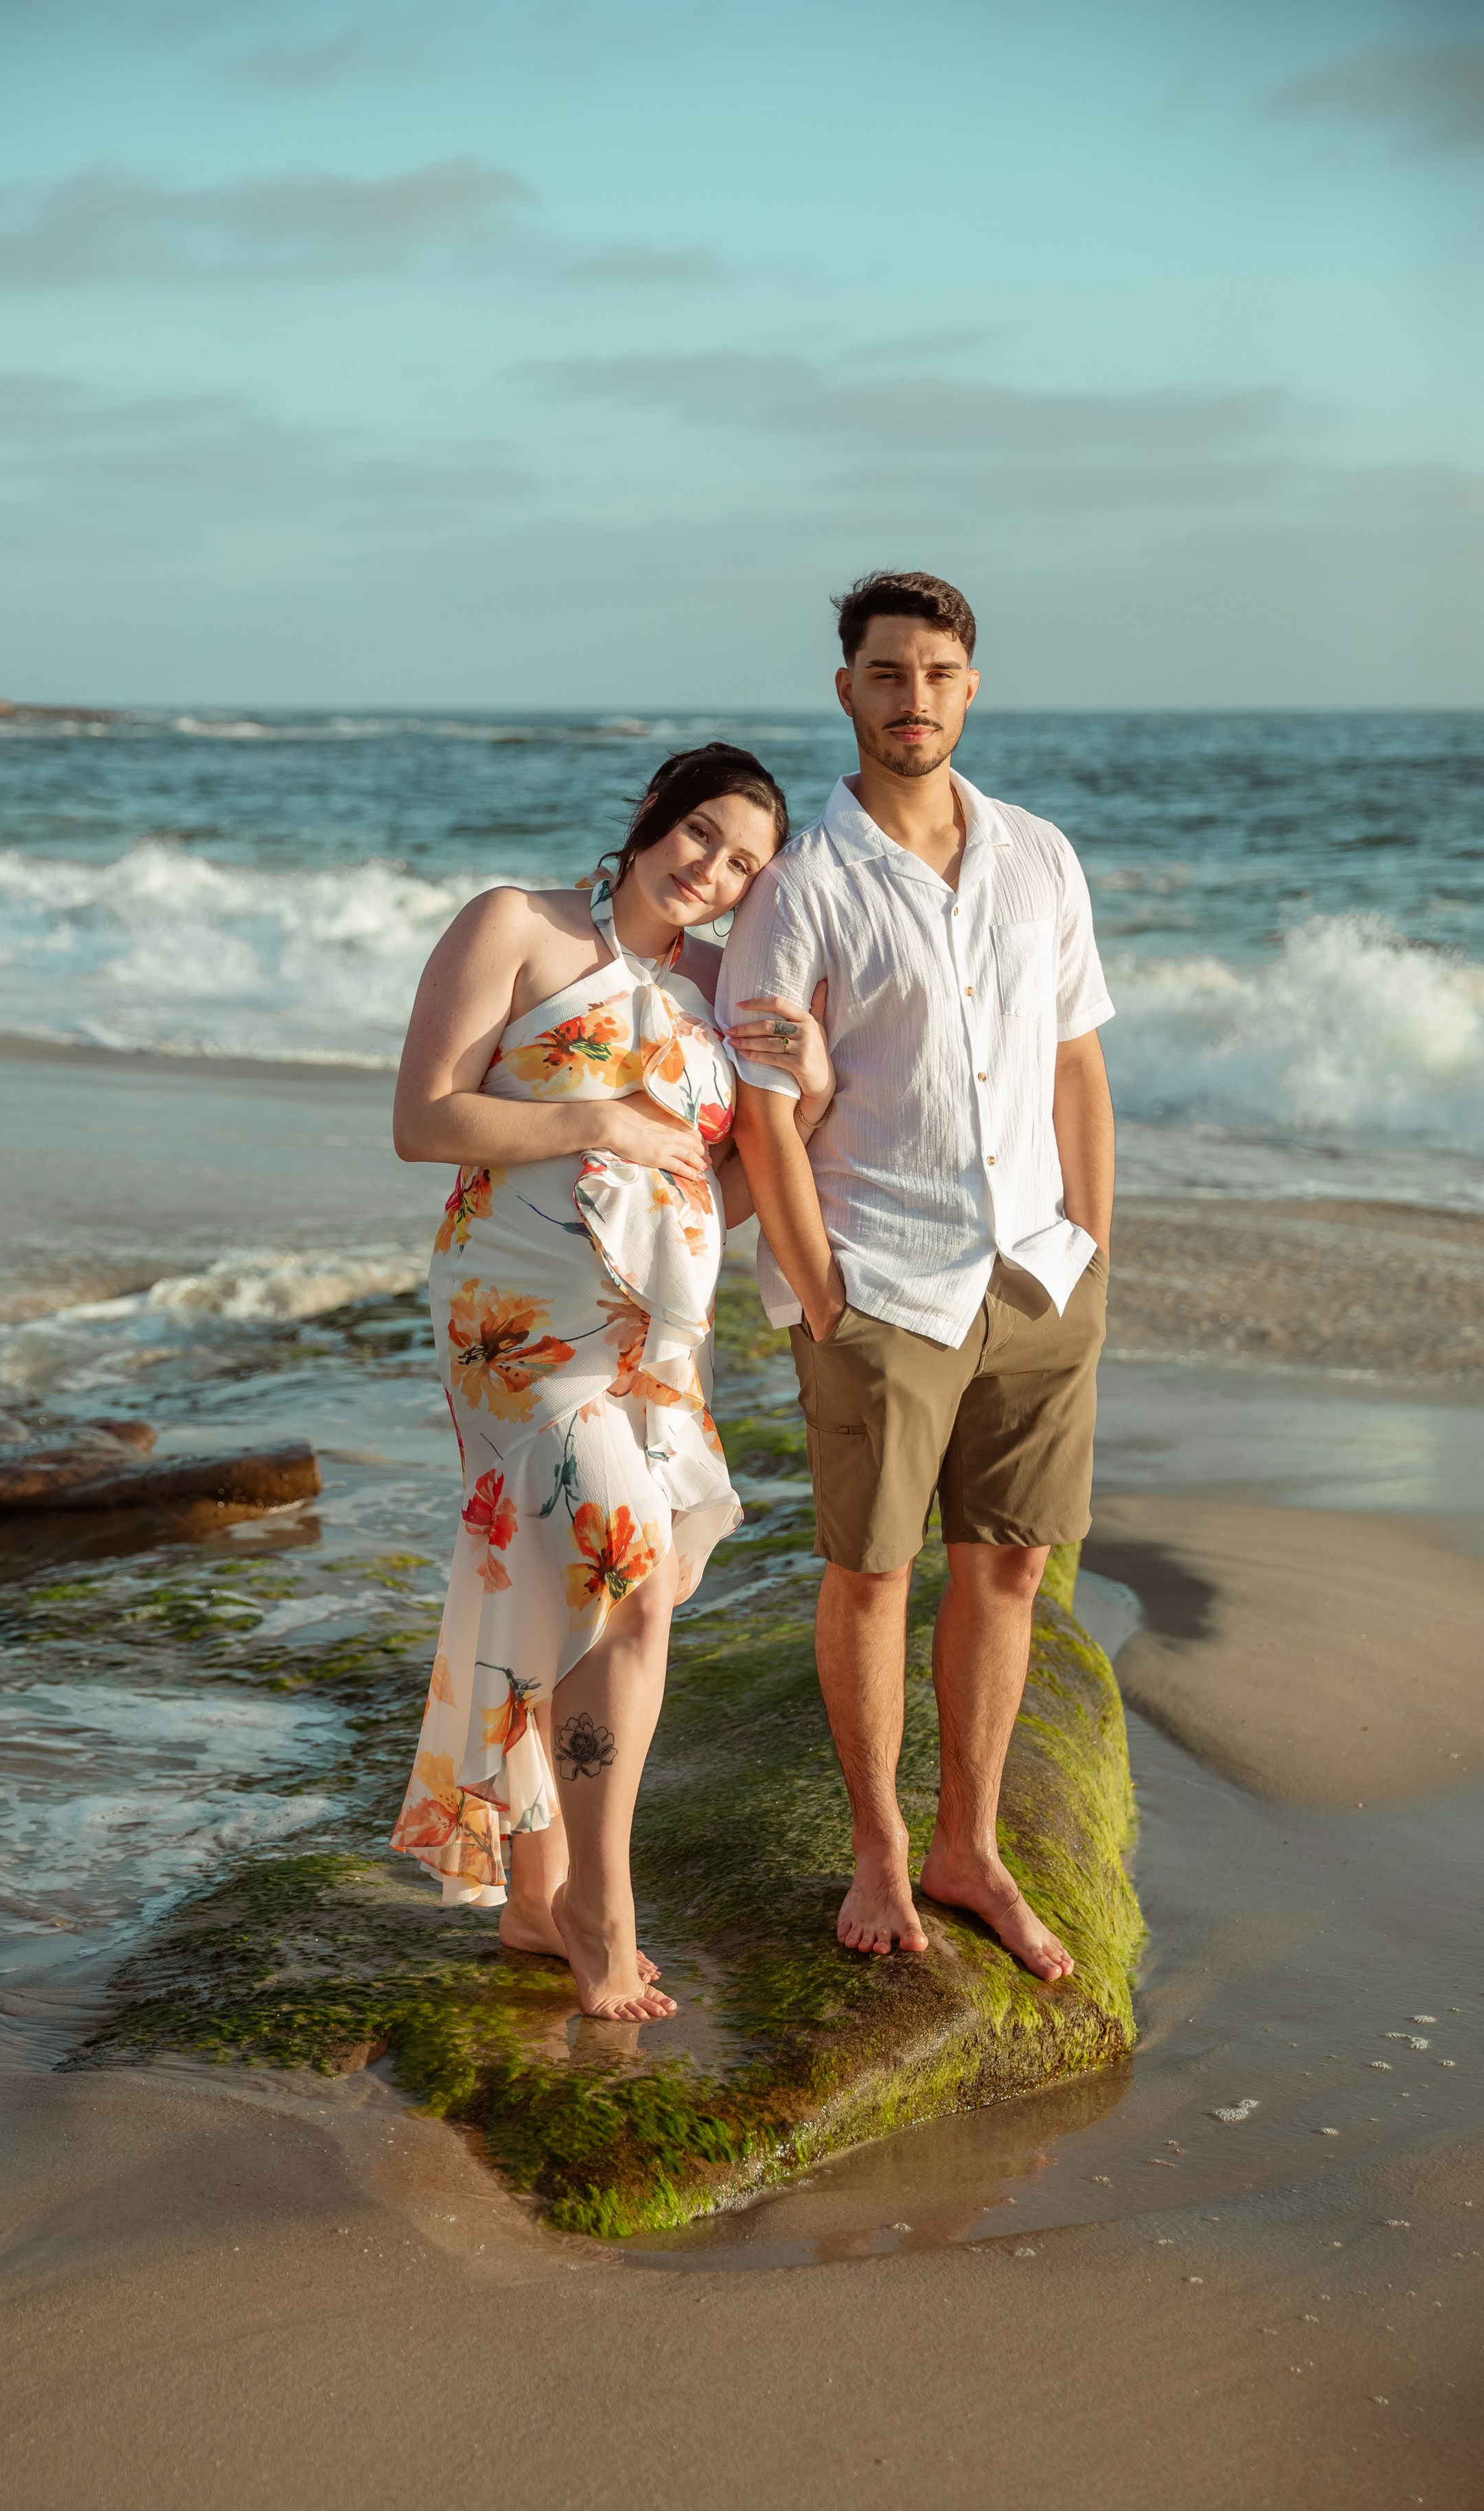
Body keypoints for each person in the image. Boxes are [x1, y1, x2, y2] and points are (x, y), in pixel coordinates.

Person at [389, 746, 837, 2022]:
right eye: (700, 835)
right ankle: (602, 1908)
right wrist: (598, 1120)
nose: (712, 872)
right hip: (516, 1322)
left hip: (652, 1342)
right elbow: (425, 1120)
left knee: (573, 1593)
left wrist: (806, 1097)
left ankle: (535, 1898)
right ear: (651, 816)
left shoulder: (716, 994)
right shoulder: (514, 927)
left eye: (743, 865)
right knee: (627, 1584)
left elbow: (718, 1193)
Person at [719, 572, 1116, 1985]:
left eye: (938, 673)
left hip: (1034, 1274)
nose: (914, 699)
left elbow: (1076, 1063)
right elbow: (763, 1113)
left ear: (970, 687)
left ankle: (969, 1846)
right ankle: (881, 1851)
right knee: (874, 1571)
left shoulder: (1038, 859)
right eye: (887, 674)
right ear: (846, 689)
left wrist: (1088, 1249)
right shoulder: (800, 887)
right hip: (880, 1278)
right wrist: (820, 1294)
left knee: (1009, 1566)